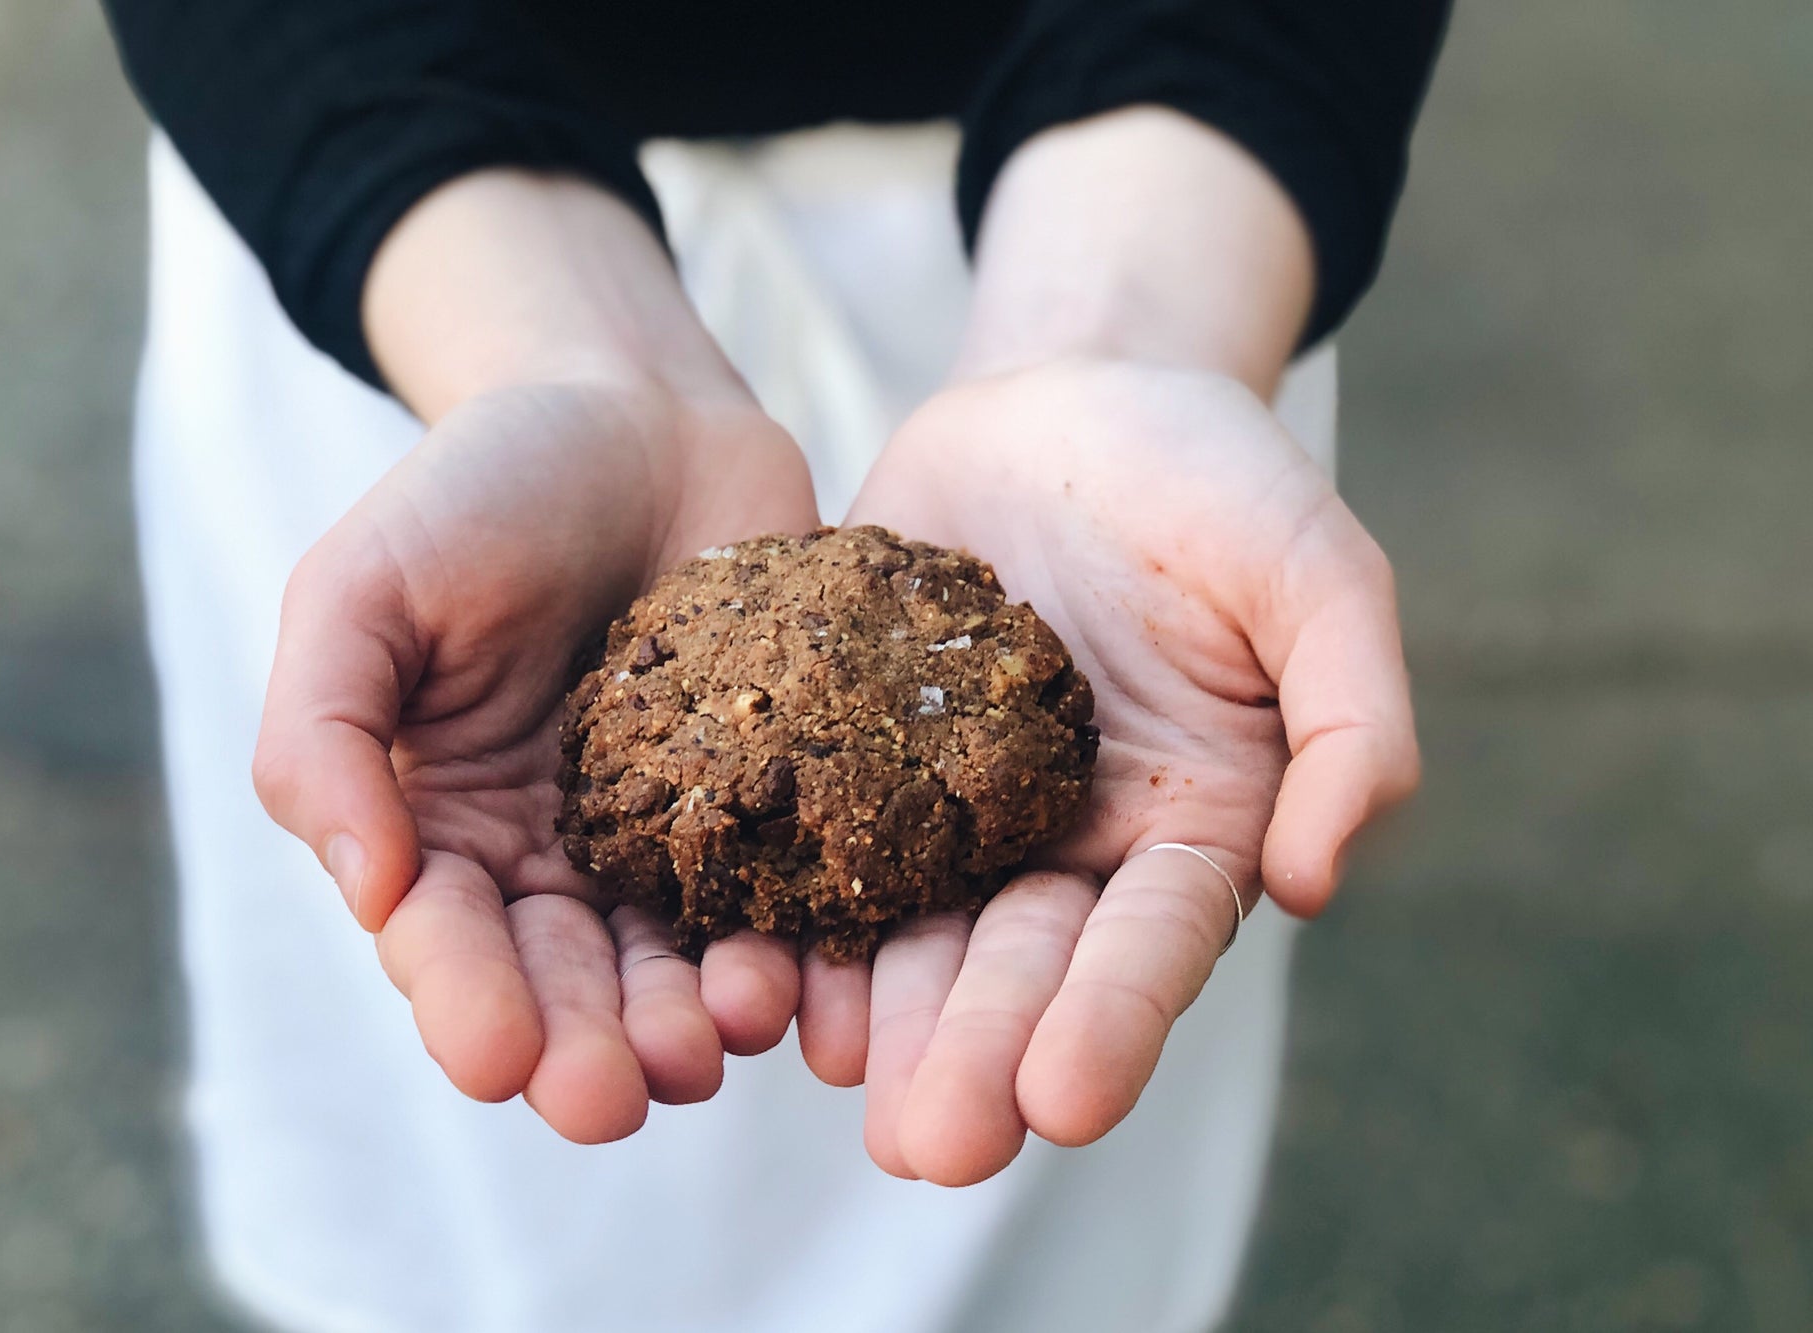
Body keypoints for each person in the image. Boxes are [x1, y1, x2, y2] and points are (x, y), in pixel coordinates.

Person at [103, 3, 1444, 1329]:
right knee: (500, 1252)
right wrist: (553, 349)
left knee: (1041, 1207)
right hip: (431, 278)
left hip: (1158, 251)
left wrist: (1130, 334)